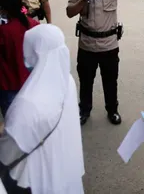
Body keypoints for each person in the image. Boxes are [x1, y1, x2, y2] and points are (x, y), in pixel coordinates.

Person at [0, 24, 85, 194]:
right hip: (64, 170)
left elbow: (9, 151)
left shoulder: (27, 102)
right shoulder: (67, 82)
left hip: (33, 178)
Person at [66, 0, 142, 125]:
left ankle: (112, 110)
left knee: (110, 80)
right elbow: (69, 12)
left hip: (109, 44)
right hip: (87, 44)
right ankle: (84, 110)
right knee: (86, 81)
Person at [0, 0, 39, 116]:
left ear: (5, 10)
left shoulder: (4, 31)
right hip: (31, 83)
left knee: (12, 123)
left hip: (9, 85)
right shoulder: (33, 24)